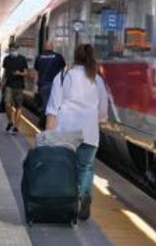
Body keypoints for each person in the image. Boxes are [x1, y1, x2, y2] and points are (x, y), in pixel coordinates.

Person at [45, 44, 108, 220]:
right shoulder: (97, 79)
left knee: (66, 168)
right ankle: (83, 196)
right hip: (89, 131)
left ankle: (68, 203)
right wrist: (99, 120)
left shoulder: (64, 76)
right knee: (86, 168)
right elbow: (103, 108)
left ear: (74, 56)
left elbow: (53, 108)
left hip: (66, 129)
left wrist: (48, 136)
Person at [1, 42, 28, 133]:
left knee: (18, 107)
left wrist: (19, 73)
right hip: (9, 85)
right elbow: (4, 73)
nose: (13, 51)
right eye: (12, 49)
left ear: (17, 49)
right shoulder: (6, 59)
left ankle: (16, 126)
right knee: (7, 104)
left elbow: (26, 73)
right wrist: (1, 84)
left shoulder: (22, 59)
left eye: (15, 49)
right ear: (9, 50)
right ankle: (10, 121)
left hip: (19, 86)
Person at [34, 41, 66, 115]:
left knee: (45, 104)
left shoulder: (39, 57)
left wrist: (36, 86)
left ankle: (44, 122)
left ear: (45, 47)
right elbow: (63, 69)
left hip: (43, 85)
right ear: (52, 47)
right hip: (56, 86)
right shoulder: (58, 57)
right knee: (55, 105)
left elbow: (36, 73)